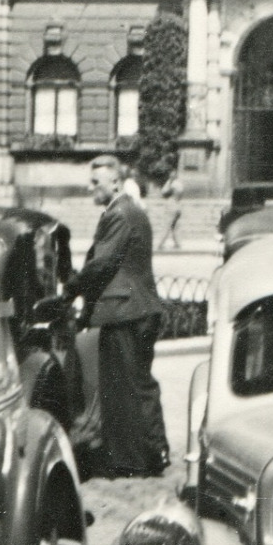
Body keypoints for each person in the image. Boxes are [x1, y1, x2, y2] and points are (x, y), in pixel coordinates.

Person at [68, 153, 170, 479]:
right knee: (134, 385)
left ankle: (140, 459)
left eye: (95, 182)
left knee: (128, 387)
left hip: (126, 312)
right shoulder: (128, 211)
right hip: (136, 310)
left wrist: (70, 289)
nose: (90, 188)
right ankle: (149, 453)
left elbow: (102, 264)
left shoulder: (121, 214)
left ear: (114, 181)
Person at [160, 167, 184, 250]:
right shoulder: (179, 183)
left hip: (172, 205)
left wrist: (169, 184)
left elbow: (164, 193)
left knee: (167, 225)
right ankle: (177, 243)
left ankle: (160, 243)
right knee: (175, 226)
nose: (171, 175)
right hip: (178, 205)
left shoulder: (173, 184)